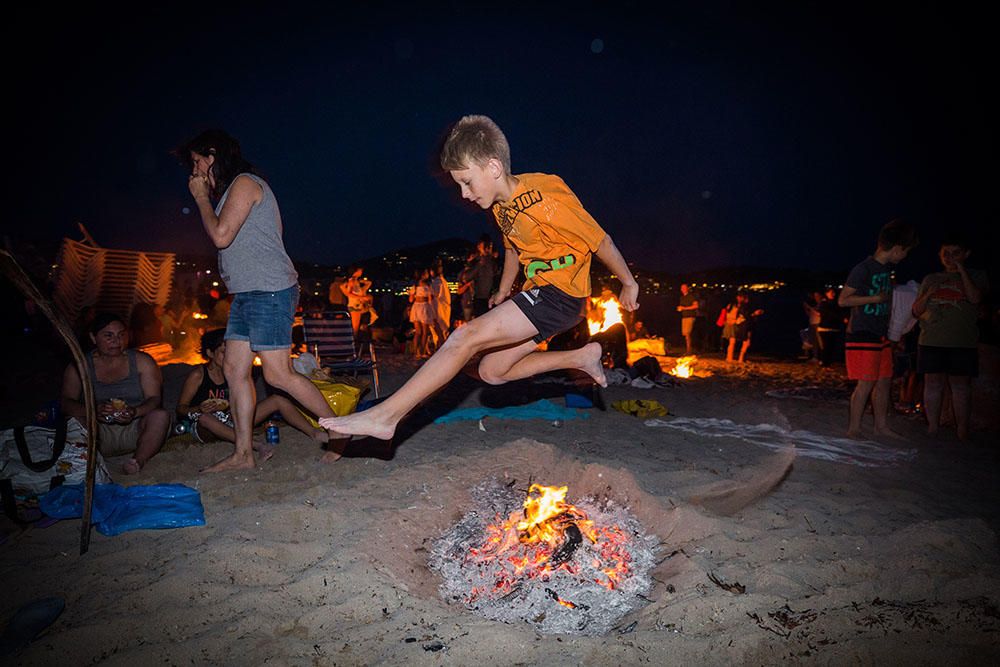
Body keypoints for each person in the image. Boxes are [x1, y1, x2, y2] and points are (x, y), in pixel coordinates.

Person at [320, 114, 639, 440]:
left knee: (462, 338)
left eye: (467, 181)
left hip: (559, 293)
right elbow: (513, 249)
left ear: (494, 167)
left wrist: (628, 282)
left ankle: (386, 418)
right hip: (544, 295)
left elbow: (600, 240)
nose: (464, 194)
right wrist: (503, 291)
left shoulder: (545, 198)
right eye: (459, 184)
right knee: (492, 371)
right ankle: (581, 356)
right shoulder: (502, 207)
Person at [178, 129, 340, 471]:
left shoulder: (245, 183)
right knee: (235, 370)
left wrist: (201, 198)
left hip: (269, 289)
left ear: (212, 156)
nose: (193, 171)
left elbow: (221, 236)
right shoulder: (230, 193)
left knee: (278, 375)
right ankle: (243, 454)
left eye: (196, 162)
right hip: (247, 294)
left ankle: (341, 432)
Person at [176, 329, 328, 451]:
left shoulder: (235, 371)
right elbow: (181, 408)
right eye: (223, 352)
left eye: (231, 352)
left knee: (278, 400)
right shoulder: (198, 375)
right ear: (210, 353)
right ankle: (255, 446)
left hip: (233, 419)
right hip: (206, 426)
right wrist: (199, 408)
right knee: (206, 419)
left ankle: (314, 433)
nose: (229, 357)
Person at [60, 312, 170, 474]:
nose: (116, 341)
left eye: (121, 335)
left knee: (160, 416)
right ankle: (88, 460)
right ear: (93, 337)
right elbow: (66, 403)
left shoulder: (142, 361)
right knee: (73, 421)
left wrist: (135, 411)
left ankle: (137, 461)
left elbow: (154, 398)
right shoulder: (80, 366)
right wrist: (93, 411)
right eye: (108, 336)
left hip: (136, 429)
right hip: (97, 432)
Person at [838, 218, 918, 439]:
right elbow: (843, 300)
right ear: (896, 249)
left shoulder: (886, 270)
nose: (905, 257)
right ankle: (853, 428)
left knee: (884, 380)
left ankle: (880, 426)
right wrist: (873, 298)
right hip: (863, 333)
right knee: (866, 382)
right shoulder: (863, 269)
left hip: (880, 333)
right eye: (906, 252)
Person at [912, 233, 988, 440]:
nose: (949, 257)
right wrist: (928, 294)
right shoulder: (931, 278)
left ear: (966, 254)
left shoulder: (977, 276)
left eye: (955, 253)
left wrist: (961, 269)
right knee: (933, 383)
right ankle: (932, 427)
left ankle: (962, 429)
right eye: (946, 253)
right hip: (931, 339)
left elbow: (975, 298)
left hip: (962, 341)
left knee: (960, 386)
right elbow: (916, 310)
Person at [723, 292, 763, 364]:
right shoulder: (738, 306)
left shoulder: (733, 305)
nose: (746, 299)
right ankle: (739, 358)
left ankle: (731, 358)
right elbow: (745, 315)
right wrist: (754, 314)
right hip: (738, 324)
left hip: (733, 324)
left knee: (733, 342)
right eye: (745, 297)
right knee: (744, 341)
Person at [408, 268, 435, 357]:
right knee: (425, 332)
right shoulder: (428, 286)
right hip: (424, 307)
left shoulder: (414, 286)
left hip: (416, 307)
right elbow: (431, 299)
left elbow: (411, 300)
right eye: (426, 273)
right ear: (423, 275)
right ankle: (422, 352)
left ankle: (415, 352)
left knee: (418, 332)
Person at [341, 266, 374, 338]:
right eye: (360, 271)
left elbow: (369, 283)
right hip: (354, 306)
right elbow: (348, 294)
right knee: (355, 327)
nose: (361, 272)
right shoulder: (351, 281)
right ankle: (353, 342)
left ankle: (354, 341)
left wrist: (360, 281)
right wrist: (362, 297)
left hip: (357, 306)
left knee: (356, 326)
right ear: (355, 272)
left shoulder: (355, 281)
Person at [470, 234, 498, 317]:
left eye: (480, 244)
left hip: (485, 298)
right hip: (481, 297)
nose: (478, 246)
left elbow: (469, 276)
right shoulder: (481, 260)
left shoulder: (488, 261)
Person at [430, 259, 452, 348]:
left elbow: (435, 294)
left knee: (438, 327)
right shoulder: (443, 281)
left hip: (439, 308)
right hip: (444, 307)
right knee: (443, 328)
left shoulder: (438, 281)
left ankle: (440, 346)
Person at [676, 283, 699, 354]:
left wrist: (684, 308)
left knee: (687, 333)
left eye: (684, 288)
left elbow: (696, 306)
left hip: (690, 316)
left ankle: (689, 350)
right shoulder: (682, 298)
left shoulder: (691, 296)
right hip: (684, 317)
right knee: (685, 334)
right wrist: (680, 309)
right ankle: (688, 349)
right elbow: (682, 307)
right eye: (682, 288)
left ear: (687, 289)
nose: (683, 289)